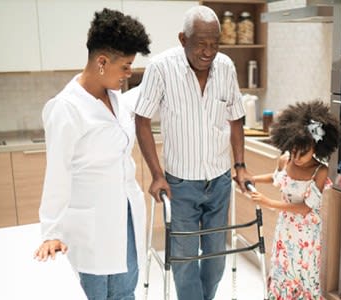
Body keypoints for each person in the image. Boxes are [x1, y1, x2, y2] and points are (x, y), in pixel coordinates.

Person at [133, 5, 252, 300]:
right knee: (184, 261)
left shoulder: (226, 67)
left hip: (220, 180)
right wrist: (156, 174)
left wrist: (240, 165)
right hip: (180, 185)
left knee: (216, 259)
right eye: (201, 44)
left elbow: (236, 118)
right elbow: (142, 120)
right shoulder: (161, 68)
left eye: (215, 44)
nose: (208, 52)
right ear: (183, 39)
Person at [33, 8, 150, 300]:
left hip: (125, 217)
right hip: (90, 227)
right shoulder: (66, 108)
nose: (129, 73)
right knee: (95, 295)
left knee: (125, 292)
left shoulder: (116, 99)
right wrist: (51, 231)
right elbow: (58, 173)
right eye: (125, 66)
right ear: (101, 62)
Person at [248, 101, 340, 300]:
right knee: (282, 270)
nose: (297, 157)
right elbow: (277, 178)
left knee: (303, 274)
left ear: (316, 145)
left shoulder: (320, 170)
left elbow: (306, 208)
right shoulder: (286, 159)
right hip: (285, 229)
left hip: (307, 235)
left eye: (303, 152)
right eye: (294, 150)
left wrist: (268, 202)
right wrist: (252, 179)